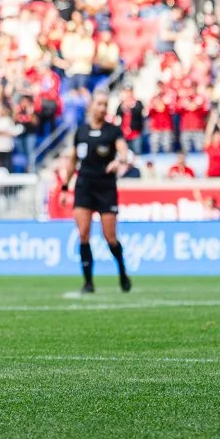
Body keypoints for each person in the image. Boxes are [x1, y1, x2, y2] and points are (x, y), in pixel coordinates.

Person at [58, 93, 132, 295]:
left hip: (106, 187)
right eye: (99, 104)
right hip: (84, 186)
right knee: (83, 233)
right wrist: (65, 187)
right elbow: (73, 161)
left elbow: (123, 151)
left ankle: (122, 272)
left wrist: (120, 161)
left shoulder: (112, 131)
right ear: (91, 106)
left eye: (105, 105)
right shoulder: (81, 132)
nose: (102, 108)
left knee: (110, 237)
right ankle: (88, 282)